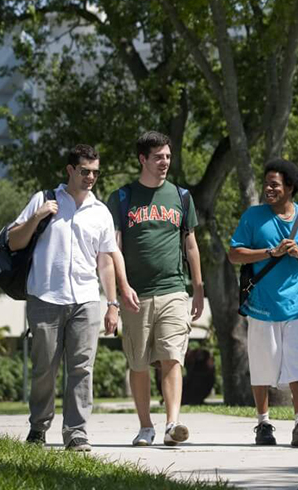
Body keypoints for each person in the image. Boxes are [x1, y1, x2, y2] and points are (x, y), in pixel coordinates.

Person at [12, 144, 130, 451]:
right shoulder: (44, 200)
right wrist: (37, 217)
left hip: (86, 299)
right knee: (44, 369)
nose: (90, 177)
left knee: (82, 368)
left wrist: (112, 304)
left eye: (95, 172)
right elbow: (14, 241)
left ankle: (76, 432)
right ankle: (38, 427)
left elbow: (105, 261)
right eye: (84, 171)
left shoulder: (100, 212)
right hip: (45, 297)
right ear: (70, 170)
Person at [106, 131, 204, 447]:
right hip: (136, 294)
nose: (165, 162)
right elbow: (114, 247)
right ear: (143, 159)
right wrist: (121, 289)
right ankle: (145, 426)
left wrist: (198, 287)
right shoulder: (122, 198)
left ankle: (172, 424)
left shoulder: (181, 197)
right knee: (138, 363)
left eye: (168, 156)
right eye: (158, 157)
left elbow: (191, 245)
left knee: (173, 356)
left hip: (174, 289)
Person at [228, 158, 298, 448]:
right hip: (262, 305)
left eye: (275, 184)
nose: (268, 189)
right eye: (266, 183)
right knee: (262, 364)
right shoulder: (253, 216)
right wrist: (270, 252)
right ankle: (263, 423)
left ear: (290, 187)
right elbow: (235, 254)